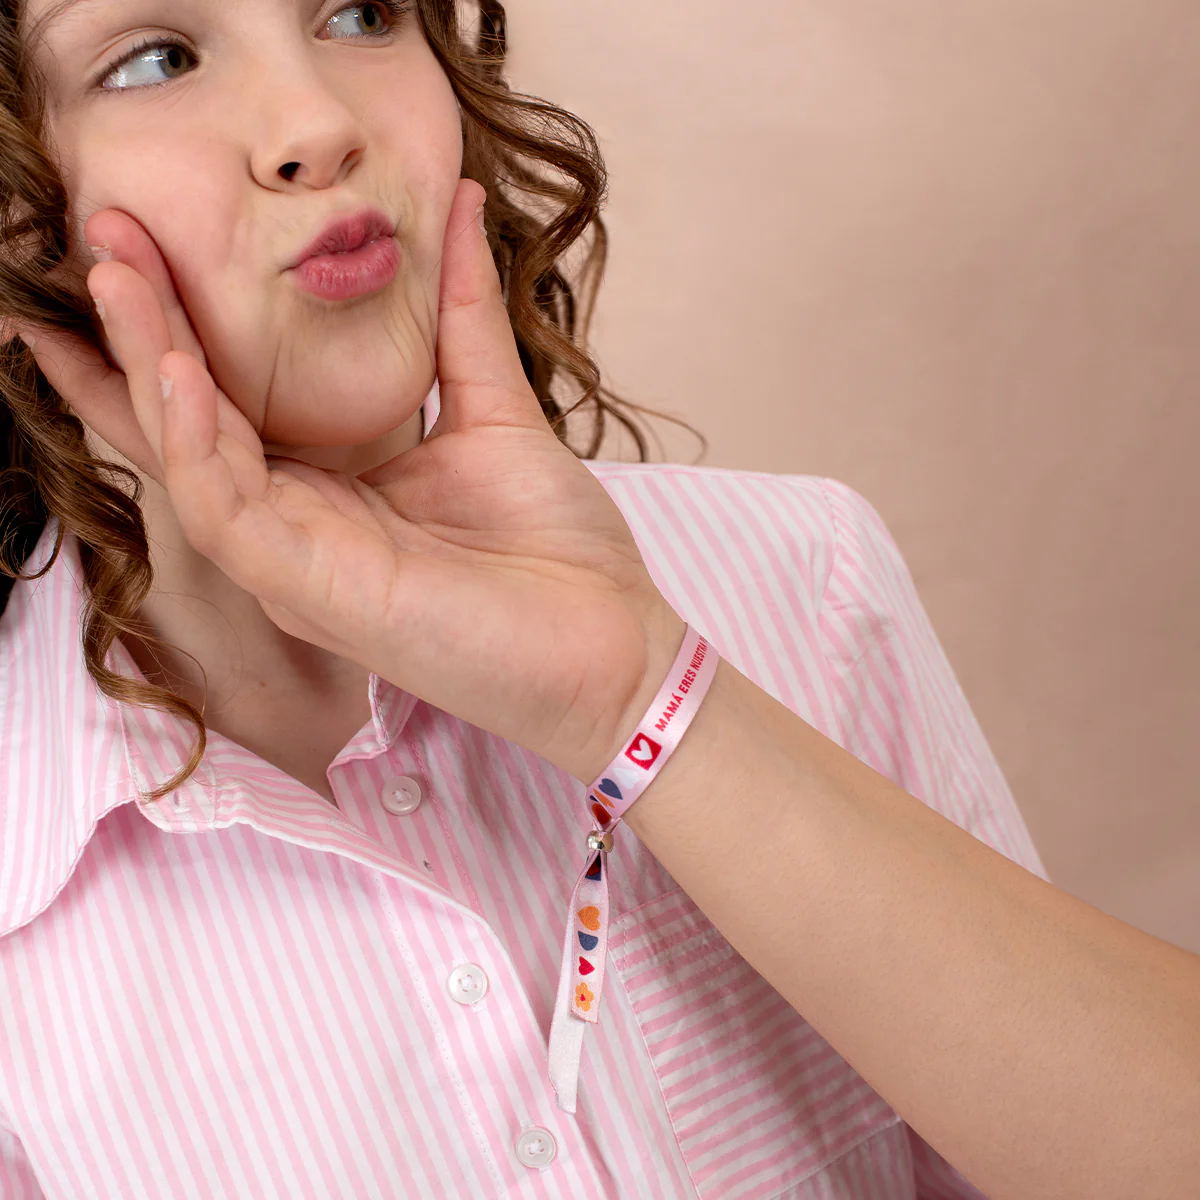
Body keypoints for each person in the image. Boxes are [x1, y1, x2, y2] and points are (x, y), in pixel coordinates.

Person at [0, 2, 1195, 1199]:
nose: (318, 122)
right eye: (156, 60)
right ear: (15, 219)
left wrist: (642, 697)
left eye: (361, 12)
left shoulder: (807, 576)